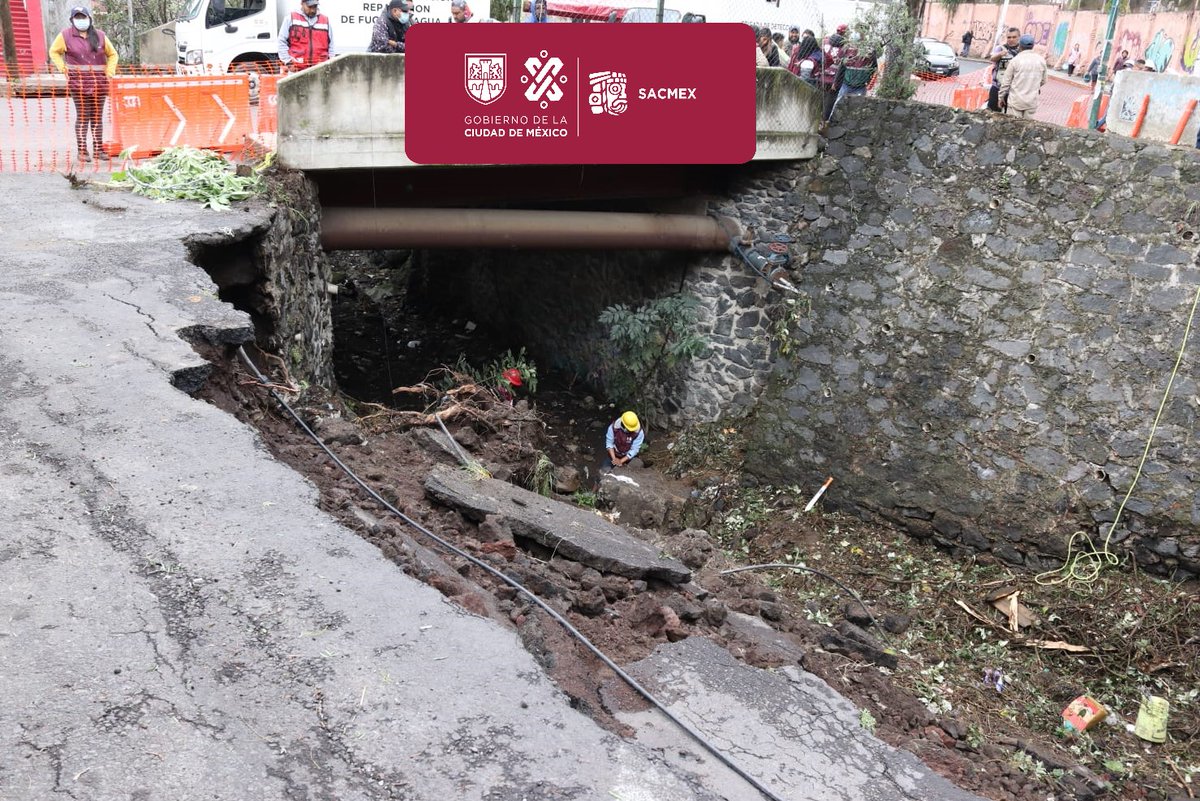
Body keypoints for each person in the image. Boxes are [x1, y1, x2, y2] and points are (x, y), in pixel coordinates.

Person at [49, 7, 117, 164]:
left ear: (89, 18)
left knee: (97, 118)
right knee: (83, 116)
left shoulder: (100, 36)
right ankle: (82, 151)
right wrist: (63, 68)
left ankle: (98, 149)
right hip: (78, 84)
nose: (81, 20)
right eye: (77, 17)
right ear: (72, 20)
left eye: (83, 16)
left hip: (99, 83)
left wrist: (110, 72)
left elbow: (113, 54)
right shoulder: (65, 36)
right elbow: (54, 51)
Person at [999, 34, 1046, 118]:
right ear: (1032, 46)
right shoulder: (1041, 60)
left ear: (1020, 46)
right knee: (1027, 128)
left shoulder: (1015, 61)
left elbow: (1006, 82)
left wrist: (1001, 97)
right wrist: (1032, 86)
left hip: (1015, 101)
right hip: (1031, 102)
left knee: (1013, 127)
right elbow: (1043, 81)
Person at [277, 0, 331, 71]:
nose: (312, 10)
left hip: (320, 69)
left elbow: (331, 45)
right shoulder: (290, 18)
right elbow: (281, 42)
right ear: (302, 3)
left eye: (315, 6)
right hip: (297, 69)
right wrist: (288, 63)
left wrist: (330, 62)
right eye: (309, 7)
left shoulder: (325, 20)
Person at [831, 30, 877, 115]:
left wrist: (869, 82)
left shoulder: (870, 51)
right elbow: (842, 67)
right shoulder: (847, 50)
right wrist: (835, 82)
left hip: (861, 86)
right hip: (846, 84)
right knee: (837, 105)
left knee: (856, 109)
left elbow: (874, 68)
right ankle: (830, 122)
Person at [987, 27, 1021, 112]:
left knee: (1010, 115)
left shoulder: (1022, 50)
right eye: (1009, 37)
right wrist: (1001, 54)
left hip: (1013, 89)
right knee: (992, 113)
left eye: (1014, 37)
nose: (1011, 39)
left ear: (1019, 37)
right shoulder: (1001, 48)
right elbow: (992, 59)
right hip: (997, 86)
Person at [820, 23, 848, 121]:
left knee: (819, 99)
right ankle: (824, 122)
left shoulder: (825, 41)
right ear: (845, 33)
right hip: (834, 79)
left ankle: (816, 120)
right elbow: (843, 65)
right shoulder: (846, 46)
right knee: (829, 103)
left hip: (822, 76)